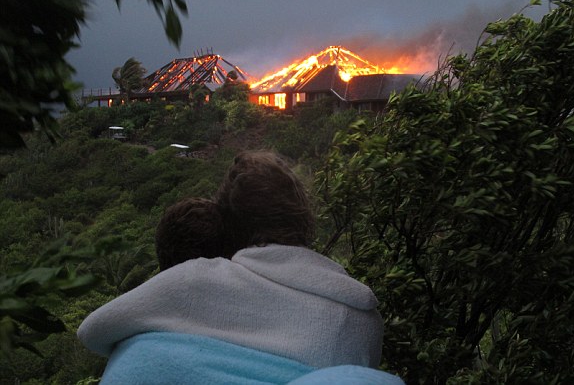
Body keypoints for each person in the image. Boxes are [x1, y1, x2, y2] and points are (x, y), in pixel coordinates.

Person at [78, 150, 403, 384]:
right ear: (303, 218)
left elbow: (94, 330)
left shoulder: (195, 278)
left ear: (227, 224)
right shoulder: (361, 315)